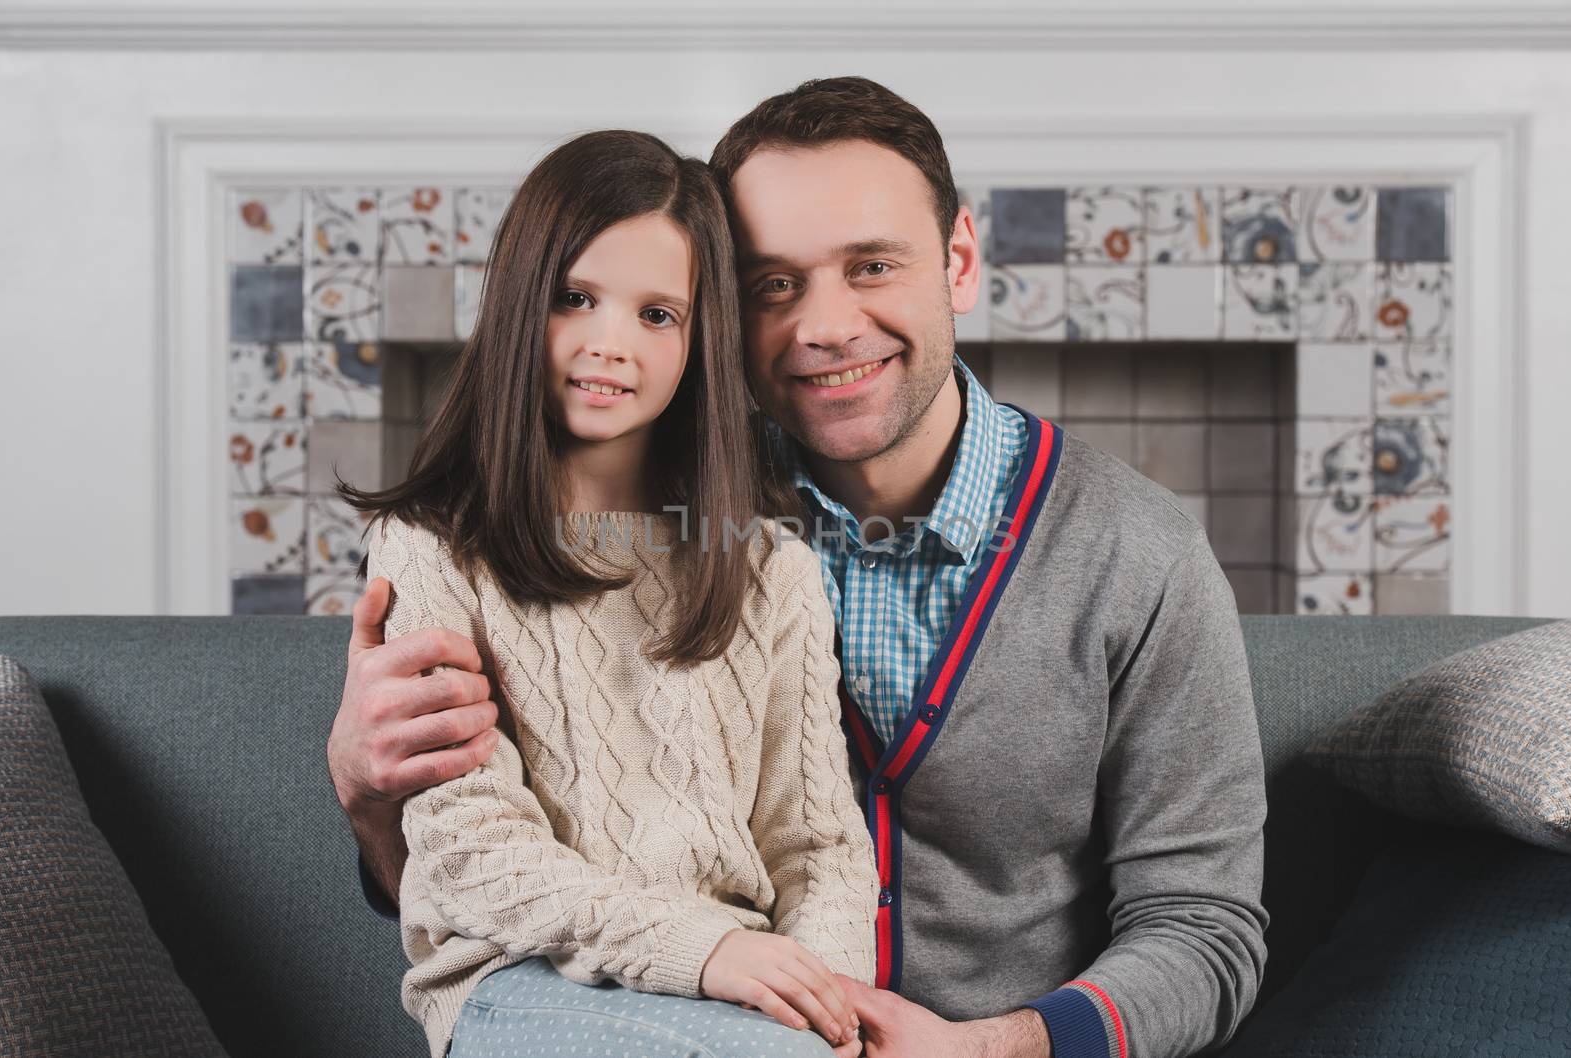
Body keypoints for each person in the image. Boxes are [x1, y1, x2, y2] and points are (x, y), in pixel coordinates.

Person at [329, 78, 1270, 1058]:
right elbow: (493, 863)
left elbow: (1204, 932)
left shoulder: (1137, 553)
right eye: (773, 283)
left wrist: (985, 1048)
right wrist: (367, 797)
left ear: (956, 261)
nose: (824, 325)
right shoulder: (640, 503)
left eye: (871, 265)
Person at [335, 128, 879, 1058]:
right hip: (519, 980)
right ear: (518, 304)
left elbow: (818, 848)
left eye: (657, 315)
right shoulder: (429, 549)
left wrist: (821, 1001)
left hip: (735, 988)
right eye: (575, 298)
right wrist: (706, 951)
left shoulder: (770, 569)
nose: (609, 344)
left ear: (699, 339)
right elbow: (468, 854)